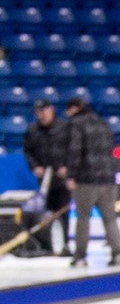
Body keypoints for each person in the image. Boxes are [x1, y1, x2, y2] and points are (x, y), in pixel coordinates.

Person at [57, 95, 120, 269]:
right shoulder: (103, 123)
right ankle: (117, 253)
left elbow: (75, 150)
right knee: (110, 218)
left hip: (86, 180)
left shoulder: (76, 124)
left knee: (83, 218)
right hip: (108, 179)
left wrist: (71, 175)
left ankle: (80, 256)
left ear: (73, 109)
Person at [21, 99, 70, 254]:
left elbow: (73, 149)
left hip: (61, 178)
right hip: (43, 179)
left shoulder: (64, 128)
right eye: (37, 112)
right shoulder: (32, 130)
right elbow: (28, 152)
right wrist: (35, 167)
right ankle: (47, 243)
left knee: (61, 210)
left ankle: (64, 244)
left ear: (51, 110)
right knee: (43, 212)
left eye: (43, 111)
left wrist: (67, 167)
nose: (41, 115)